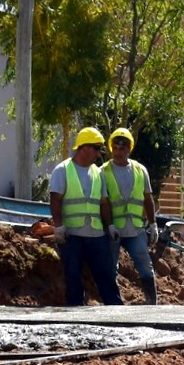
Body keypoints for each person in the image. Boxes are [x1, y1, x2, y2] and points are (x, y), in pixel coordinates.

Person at [49, 127, 122, 306]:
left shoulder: (98, 173)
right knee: (73, 277)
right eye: (96, 148)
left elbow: (104, 203)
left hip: (96, 235)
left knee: (106, 276)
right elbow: (55, 199)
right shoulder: (63, 170)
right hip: (72, 235)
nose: (98, 154)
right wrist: (58, 226)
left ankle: (117, 311)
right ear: (84, 148)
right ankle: (75, 316)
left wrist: (110, 225)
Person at [101, 127, 160, 304]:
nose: (119, 151)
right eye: (116, 147)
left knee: (145, 265)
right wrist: (109, 225)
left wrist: (152, 224)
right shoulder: (103, 171)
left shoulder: (140, 170)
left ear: (129, 149)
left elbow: (147, 197)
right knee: (110, 268)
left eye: (123, 147)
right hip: (114, 230)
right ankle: (114, 304)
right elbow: (104, 202)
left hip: (135, 229)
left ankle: (152, 303)